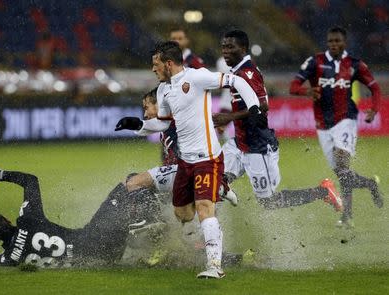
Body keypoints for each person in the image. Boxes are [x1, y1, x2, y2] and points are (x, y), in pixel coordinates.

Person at [115, 41, 261, 278]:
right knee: (182, 215)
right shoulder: (163, 90)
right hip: (185, 162)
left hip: (208, 158)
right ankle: (219, 189)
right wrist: (139, 125)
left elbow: (236, 80)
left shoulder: (197, 77)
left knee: (204, 209)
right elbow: (163, 122)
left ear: (169, 63)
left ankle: (215, 266)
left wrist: (253, 105)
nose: (153, 69)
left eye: (156, 64)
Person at [213, 29, 343, 213]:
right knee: (215, 179)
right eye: (223, 47)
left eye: (230, 47)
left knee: (268, 202)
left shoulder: (247, 72)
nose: (225, 51)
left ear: (242, 48)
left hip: (257, 146)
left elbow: (263, 106)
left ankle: (321, 192)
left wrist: (229, 117)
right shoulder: (237, 71)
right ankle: (209, 235)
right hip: (239, 143)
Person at [0, 162, 161, 267]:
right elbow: (30, 180)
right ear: (7, 220)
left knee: (124, 219)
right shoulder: (27, 220)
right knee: (131, 182)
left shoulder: (10, 258)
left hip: (104, 259)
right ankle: (160, 220)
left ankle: (147, 233)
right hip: (98, 238)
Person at [289, 26, 383, 228]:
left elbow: (375, 87)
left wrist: (374, 109)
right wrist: (307, 92)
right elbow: (293, 86)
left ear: (345, 43)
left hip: (345, 119)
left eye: (337, 41)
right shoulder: (315, 62)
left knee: (342, 165)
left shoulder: (354, 65)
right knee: (343, 173)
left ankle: (347, 216)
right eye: (330, 41)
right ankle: (370, 184)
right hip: (322, 125)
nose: (333, 45)